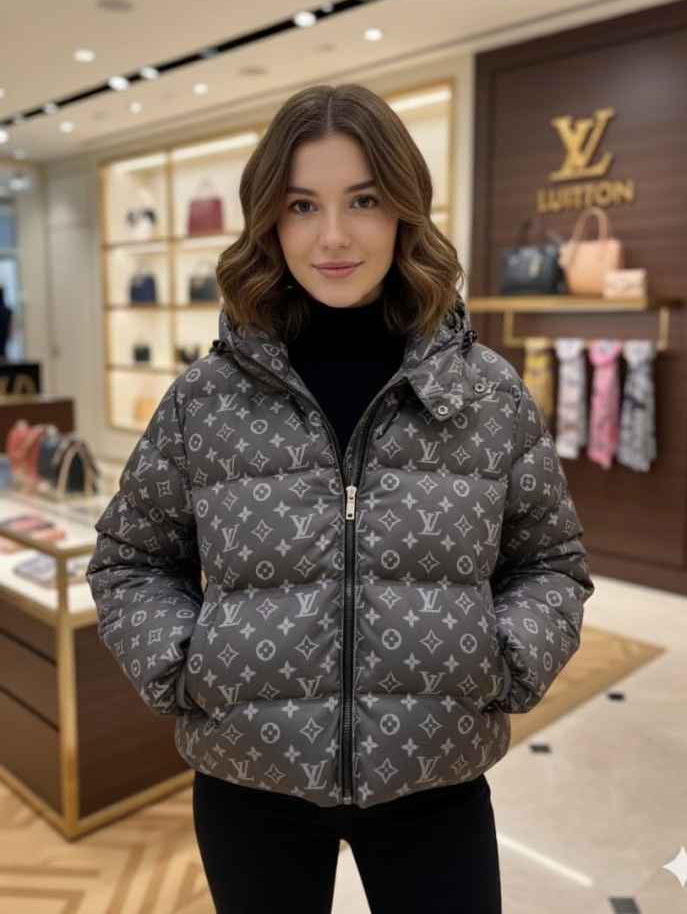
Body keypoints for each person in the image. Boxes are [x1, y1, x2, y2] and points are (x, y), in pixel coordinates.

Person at [86, 83, 594, 914]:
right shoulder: (205, 400)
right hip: (250, 784)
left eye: (363, 200)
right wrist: (187, 666)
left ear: (404, 210)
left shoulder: (485, 394)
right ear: (268, 221)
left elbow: (551, 562)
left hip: (436, 780)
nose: (332, 237)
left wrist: (504, 661)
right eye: (301, 205)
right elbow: (131, 559)